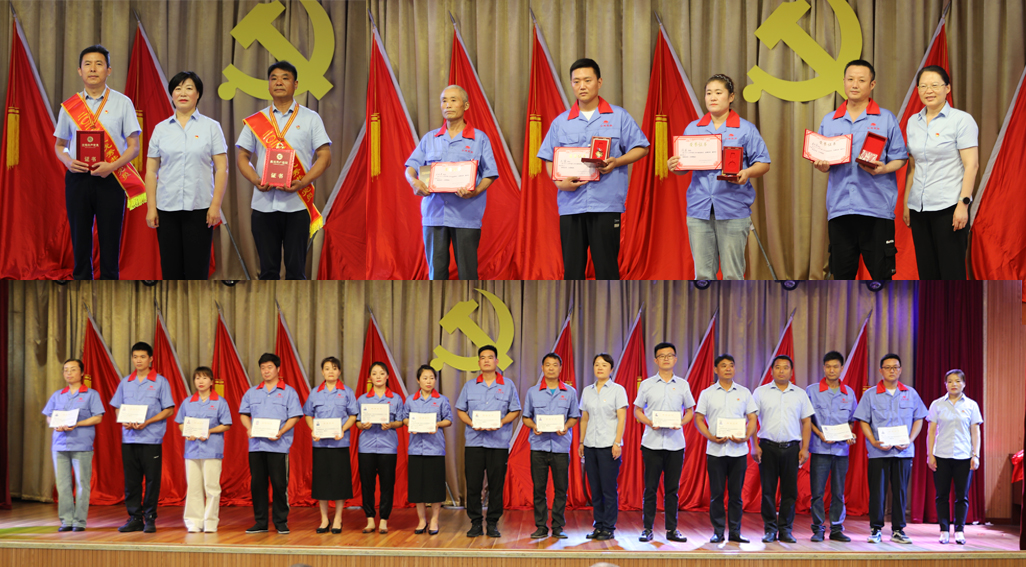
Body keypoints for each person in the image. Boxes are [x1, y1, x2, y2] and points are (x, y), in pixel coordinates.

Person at [537, 58, 650, 280]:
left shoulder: (619, 116)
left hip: (606, 204)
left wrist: (617, 162)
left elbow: (642, 148)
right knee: (572, 272)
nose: (582, 86)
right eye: (576, 81)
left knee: (607, 270)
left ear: (599, 82)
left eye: (587, 80)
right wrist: (559, 182)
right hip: (571, 205)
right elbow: (549, 158)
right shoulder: (561, 122)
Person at [668, 74, 771, 280]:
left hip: (733, 209)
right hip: (699, 209)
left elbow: (764, 163)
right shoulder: (693, 128)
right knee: (703, 275)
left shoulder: (745, 129)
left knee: (733, 274)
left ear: (731, 97)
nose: (712, 97)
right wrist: (674, 166)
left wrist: (747, 173)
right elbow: (683, 168)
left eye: (718, 92)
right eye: (708, 93)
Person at [236, 61, 331, 279]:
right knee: (267, 271)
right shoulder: (256, 120)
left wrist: (303, 182)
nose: (279, 82)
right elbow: (242, 157)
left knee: (296, 271)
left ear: (296, 84)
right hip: (263, 204)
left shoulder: (311, 118)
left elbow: (325, 157)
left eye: (285, 78)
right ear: (268, 84)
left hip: (297, 204)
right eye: (274, 78)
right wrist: (255, 180)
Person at [53, 44, 141, 280]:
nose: (93, 69)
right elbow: (59, 146)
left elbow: (134, 147)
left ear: (108, 70)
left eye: (99, 64)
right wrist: (68, 161)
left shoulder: (123, 103)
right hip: (78, 179)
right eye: (88, 64)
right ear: (80, 71)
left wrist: (112, 166)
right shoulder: (69, 107)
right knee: (80, 239)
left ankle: (110, 285)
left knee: (110, 241)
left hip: (111, 178)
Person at [813, 60, 908, 280]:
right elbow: (821, 157)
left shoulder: (886, 118)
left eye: (861, 80)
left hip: (876, 208)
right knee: (841, 277)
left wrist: (883, 168)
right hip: (840, 208)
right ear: (844, 82)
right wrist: (822, 165)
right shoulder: (830, 120)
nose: (854, 85)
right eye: (850, 79)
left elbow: (900, 158)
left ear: (872, 84)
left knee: (882, 277)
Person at [404, 85, 499, 279]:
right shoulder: (430, 138)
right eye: (444, 100)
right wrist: (414, 182)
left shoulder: (479, 139)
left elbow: (490, 174)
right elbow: (410, 168)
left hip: (466, 214)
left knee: (467, 273)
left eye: (453, 100)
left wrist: (475, 191)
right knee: (436, 273)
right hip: (434, 214)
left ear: (466, 105)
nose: (447, 105)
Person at [144, 71, 228, 280]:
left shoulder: (211, 127)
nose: (183, 93)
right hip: (166, 209)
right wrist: (152, 207)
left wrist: (215, 205)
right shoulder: (161, 129)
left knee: (196, 272)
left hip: (199, 208)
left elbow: (221, 169)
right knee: (170, 270)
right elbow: (151, 171)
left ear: (197, 94)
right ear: (172, 94)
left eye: (189, 88)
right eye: (177, 89)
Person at [902, 66, 979, 280]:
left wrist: (963, 204)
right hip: (919, 208)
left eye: (935, 85)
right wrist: (907, 202)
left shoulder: (961, 120)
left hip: (949, 207)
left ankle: (955, 305)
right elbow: (913, 166)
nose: (929, 90)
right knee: (927, 273)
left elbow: (971, 165)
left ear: (947, 88)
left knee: (951, 273)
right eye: (923, 86)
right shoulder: (913, 122)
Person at [853, 353, 927, 544]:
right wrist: (872, 441)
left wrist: (910, 440)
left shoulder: (910, 393)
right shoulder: (870, 394)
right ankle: (875, 529)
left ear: (900, 370)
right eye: (887, 367)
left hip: (903, 451)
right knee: (877, 491)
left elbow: (919, 418)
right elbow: (863, 420)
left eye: (895, 367)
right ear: (881, 370)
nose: (892, 371)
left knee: (900, 491)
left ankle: (898, 530)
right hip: (878, 451)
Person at [455, 345, 522, 538]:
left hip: (498, 443)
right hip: (474, 442)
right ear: (479, 362)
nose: (486, 360)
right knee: (473, 485)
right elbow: (460, 410)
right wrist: (472, 423)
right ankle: (475, 522)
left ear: (496, 361)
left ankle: (493, 523)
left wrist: (501, 422)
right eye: (483, 357)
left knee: (496, 485)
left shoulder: (508, 385)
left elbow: (515, 410)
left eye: (490, 357)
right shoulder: (469, 386)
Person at [109, 342, 175, 533]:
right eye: (135, 357)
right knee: (132, 481)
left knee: (152, 480)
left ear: (151, 359)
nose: (139, 360)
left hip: (151, 439)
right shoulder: (125, 382)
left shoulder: (160, 382)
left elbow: (169, 410)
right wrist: (123, 420)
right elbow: (117, 407)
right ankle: (135, 518)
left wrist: (148, 422)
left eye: (143, 357)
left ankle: (150, 517)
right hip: (129, 438)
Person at [633, 342, 695, 543]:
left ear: (675, 359)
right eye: (662, 356)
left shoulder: (683, 384)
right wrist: (650, 422)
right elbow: (637, 410)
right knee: (650, 488)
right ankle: (647, 529)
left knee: (672, 490)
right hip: (651, 443)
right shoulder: (647, 384)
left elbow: (690, 411)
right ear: (656, 360)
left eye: (670, 355)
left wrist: (680, 423)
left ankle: (672, 529)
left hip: (675, 444)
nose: (666, 359)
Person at [694, 354, 758, 544]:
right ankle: (718, 531)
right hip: (716, 451)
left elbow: (752, 417)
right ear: (716, 370)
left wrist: (746, 437)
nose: (728, 369)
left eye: (731, 365)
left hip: (738, 452)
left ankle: (736, 532)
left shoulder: (744, 392)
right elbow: (699, 419)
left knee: (736, 495)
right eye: (723, 366)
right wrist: (710, 436)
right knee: (716, 494)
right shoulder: (707, 393)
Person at [238, 353, 303, 534]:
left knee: (279, 484)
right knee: (257, 485)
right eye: (263, 368)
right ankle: (260, 522)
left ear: (278, 369)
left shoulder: (288, 392)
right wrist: (249, 428)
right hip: (256, 445)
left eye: (269, 367)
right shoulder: (252, 392)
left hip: (278, 445)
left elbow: (295, 416)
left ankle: (281, 521)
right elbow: (244, 414)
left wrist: (281, 431)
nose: (266, 371)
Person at [752, 355, 814, 543]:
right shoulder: (760, 392)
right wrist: (754, 445)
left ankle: (786, 529)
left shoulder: (800, 394)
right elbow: (752, 420)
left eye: (785, 367)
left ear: (791, 371)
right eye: (778, 367)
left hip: (791, 449)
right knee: (768, 491)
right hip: (767, 447)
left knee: (790, 492)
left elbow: (806, 422)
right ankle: (770, 529)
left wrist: (805, 448)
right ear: (772, 370)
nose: (781, 371)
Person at [41, 359, 105, 532]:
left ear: (82, 373)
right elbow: (49, 416)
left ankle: (79, 521)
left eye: (73, 369)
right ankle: (66, 520)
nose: (68, 373)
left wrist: (77, 424)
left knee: (82, 484)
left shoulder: (91, 394)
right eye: (66, 370)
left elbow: (98, 417)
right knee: (63, 485)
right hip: (60, 445)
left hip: (82, 444)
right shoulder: (58, 395)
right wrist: (55, 423)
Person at [522, 353, 581, 539]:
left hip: (560, 447)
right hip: (538, 447)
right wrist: (534, 426)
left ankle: (557, 526)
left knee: (561, 489)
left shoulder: (570, 392)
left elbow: (574, 416)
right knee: (539, 489)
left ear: (560, 368)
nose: (551, 368)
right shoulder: (532, 392)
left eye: (555, 365)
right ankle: (540, 526)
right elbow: (526, 417)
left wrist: (566, 426)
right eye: (547, 365)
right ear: (542, 368)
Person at [805, 351, 857, 542]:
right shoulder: (811, 391)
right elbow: (806, 419)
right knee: (817, 491)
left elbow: (851, 420)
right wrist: (819, 434)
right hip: (819, 448)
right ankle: (818, 528)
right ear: (824, 368)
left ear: (841, 368)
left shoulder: (849, 393)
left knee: (838, 491)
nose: (832, 370)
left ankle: (836, 528)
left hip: (841, 450)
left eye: (835, 366)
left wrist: (850, 434)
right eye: (828, 366)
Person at [302, 356, 358, 534]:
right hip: (320, 445)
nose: (331, 371)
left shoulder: (347, 392)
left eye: (334, 368)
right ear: (322, 372)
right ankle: (324, 519)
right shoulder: (315, 393)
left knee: (340, 482)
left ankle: (338, 518)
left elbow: (353, 415)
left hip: (340, 443)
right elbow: (308, 414)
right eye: (327, 368)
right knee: (322, 483)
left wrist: (342, 429)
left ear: (339, 371)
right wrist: (313, 429)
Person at [926, 369, 982, 545]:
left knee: (962, 496)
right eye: (949, 381)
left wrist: (976, 455)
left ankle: (959, 531)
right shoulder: (937, 404)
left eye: (957, 381)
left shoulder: (971, 405)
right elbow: (931, 431)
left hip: (963, 456)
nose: (953, 384)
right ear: (945, 384)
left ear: (964, 384)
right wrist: (930, 454)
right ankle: (944, 530)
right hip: (941, 455)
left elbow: (975, 432)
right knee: (941, 495)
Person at [174, 367, 232, 533]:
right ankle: (194, 522)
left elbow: (226, 424)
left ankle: (210, 522)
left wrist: (209, 431)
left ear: (211, 382)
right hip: (192, 450)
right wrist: (187, 432)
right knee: (193, 487)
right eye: (197, 378)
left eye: (205, 378)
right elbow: (180, 423)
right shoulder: (188, 402)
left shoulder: (220, 402)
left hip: (212, 449)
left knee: (211, 487)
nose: (200, 381)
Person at [578, 353, 627, 541]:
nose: (600, 368)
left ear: (611, 369)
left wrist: (617, 442)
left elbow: (621, 418)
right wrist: (581, 442)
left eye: (604, 365)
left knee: (608, 488)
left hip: (609, 446)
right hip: (590, 445)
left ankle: (609, 526)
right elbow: (585, 418)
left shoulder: (617, 390)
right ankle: (598, 525)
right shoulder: (587, 391)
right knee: (595, 489)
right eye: (597, 364)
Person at [401, 365, 453, 535]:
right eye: (425, 378)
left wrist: (437, 424)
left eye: (431, 378)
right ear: (418, 380)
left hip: (435, 448)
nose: (428, 381)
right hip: (416, 449)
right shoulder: (410, 400)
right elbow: (404, 418)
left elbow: (449, 420)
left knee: (435, 487)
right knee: (418, 487)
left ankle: (435, 520)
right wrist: (411, 424)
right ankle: (422, 520)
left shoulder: (442, 400)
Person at [355, 361, 405, 534]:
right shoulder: (362, 399)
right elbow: (357, 422)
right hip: (366, 446)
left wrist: (391, 424)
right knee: (367, 484)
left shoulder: (396, 398)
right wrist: (362, 425)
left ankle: (384, 520)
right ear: (370, 377)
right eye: (374, 373)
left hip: (388, 446)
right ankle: (370, 519)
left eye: (382, 373)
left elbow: (401, 421)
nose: (378, 376)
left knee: (387, 484)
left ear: (387, 376)